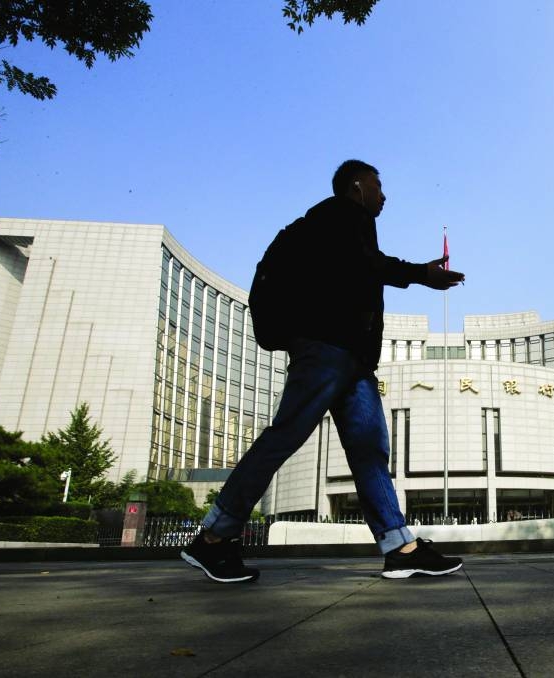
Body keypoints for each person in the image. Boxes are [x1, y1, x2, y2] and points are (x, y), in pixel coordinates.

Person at [181, 159, 466, 583]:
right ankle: (213, 538)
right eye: (377, 185)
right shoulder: (340, 214)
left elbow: (361, 269)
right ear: (356, 186)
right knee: (285, 436)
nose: (383, 195)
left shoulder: (342, 221)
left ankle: (399, 547)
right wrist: (420, 275)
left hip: (352, 360)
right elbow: (368, 264)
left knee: (369, 450)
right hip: (327, 351)